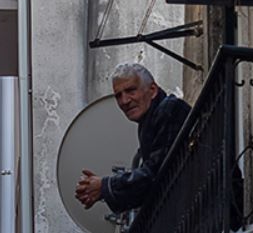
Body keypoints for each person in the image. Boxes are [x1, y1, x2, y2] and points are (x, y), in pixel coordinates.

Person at [74, 63, 190, 213]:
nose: (124, 101)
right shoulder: (151, 120)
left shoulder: (170, 110)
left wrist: (105, 186)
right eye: (118, 96)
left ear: (152, 90)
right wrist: (103, 189)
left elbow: (157, 174)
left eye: (130, 91)